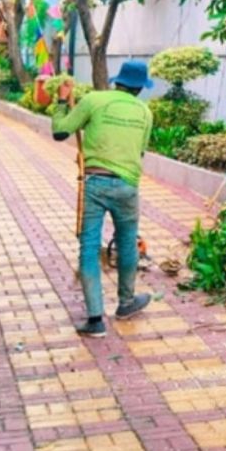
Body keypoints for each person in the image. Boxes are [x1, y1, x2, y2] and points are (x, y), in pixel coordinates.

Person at [51, 60, 155, 338]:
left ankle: (95, 320)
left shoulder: (93, 100)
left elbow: (60, 131)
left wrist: (61, 101)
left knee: (89, 246)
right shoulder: (145, 112)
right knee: (127, 242)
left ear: (117, 81)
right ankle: (126, 303)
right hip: (127, 186)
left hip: (94, 183)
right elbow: (139, 153)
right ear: (140, 88)